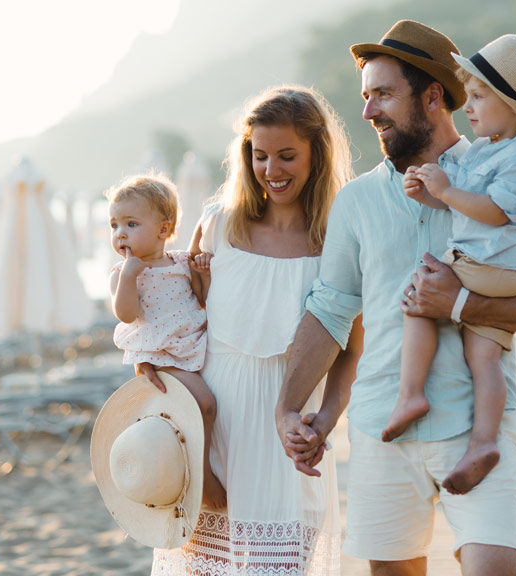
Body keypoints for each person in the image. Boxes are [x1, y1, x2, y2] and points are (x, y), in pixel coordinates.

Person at [275, 20, 516, 576]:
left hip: (479, 423)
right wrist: (294, 409)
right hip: (379, 426)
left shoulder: (503, 173)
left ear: (433, 95)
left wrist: (461, 305)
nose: (368, 112)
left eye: (384, 94)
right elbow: (330, 311)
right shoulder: (355, 203)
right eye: (366, 97)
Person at [151, 85, 361, 575]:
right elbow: (180, 315)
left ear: (317, 154)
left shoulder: (337, 241)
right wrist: (152, 356)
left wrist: (326, 419)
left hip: (290, 432)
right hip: (214, 427)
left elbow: (351, 348)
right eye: (260, 155)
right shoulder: (219, 225)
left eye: (287, 155)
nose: (272, 170)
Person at [383, 35, 516, 500]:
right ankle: (484, 443)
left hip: (491, 266)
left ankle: (410, 393)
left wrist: (444, 193)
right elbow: (463, 202)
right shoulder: (493, 147)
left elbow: (495, 211)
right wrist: (430, 191)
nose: (469, 105)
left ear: (512, 106)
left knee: (420, 295)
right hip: (499, 270)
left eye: (480, 96)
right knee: (484, 357)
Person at [107, 174, 226, 509]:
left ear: (163, 229)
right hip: (161, 355)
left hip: (191, 347)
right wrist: (129, 277)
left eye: (131, 223)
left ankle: (195, 466)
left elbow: (203, 299)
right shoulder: (123, 272)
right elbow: (126, 314)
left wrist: (203, 272)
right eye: (114, 225)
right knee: (205, 405)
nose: (120, 234)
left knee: (198, 412)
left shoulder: (178, 262)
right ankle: (203, 476)